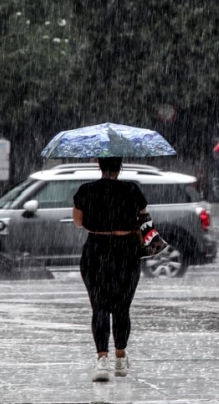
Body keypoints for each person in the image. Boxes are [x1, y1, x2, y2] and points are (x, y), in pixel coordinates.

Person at [72, 157, 148, 382]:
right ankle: (120, 358)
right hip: (127, 252)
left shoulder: (86, 190)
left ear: (99, 164)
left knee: (100, 306)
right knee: (122, 307)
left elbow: (78, 222)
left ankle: (102, 360)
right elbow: (144, 219)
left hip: (96, 250)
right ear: (120, 165)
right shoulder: (132, 189)